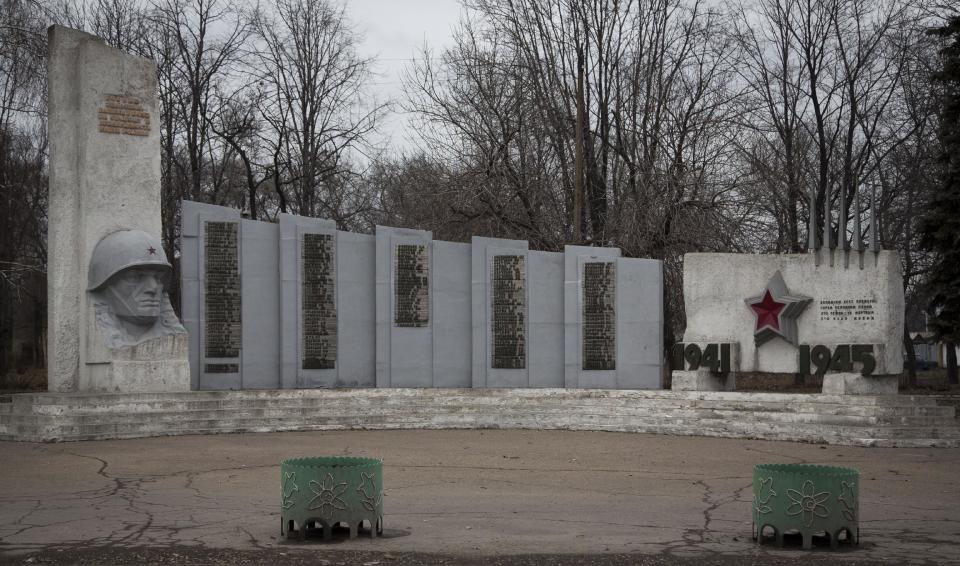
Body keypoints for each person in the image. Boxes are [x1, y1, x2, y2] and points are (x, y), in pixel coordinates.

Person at [87, 229, 186, 348]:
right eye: (135, 277)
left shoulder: (172, 339)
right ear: (105, 285)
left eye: (158, 277)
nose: (153, 288)